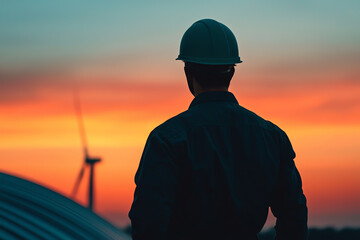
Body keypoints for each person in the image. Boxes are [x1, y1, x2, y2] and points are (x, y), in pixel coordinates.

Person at [129, 19, 308, 240]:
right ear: (232, 72)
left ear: (188, 73)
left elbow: (147, 224)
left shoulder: (166, 139)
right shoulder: (272, 137)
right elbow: (294, 215)